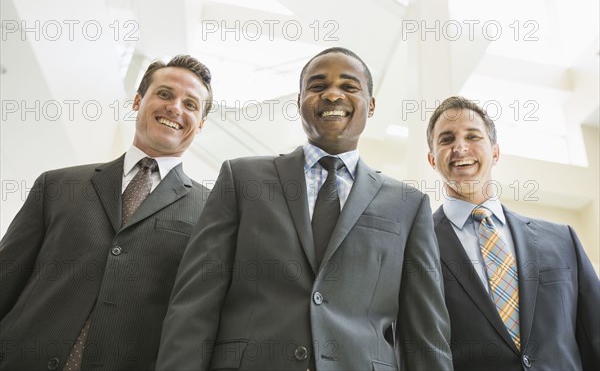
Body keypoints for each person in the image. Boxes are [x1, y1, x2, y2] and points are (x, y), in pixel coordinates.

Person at [157, 47, 453, 371]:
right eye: (317, 86)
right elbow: (195, 304)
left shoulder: (408, 205)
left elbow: (426, 337)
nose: (332, 95)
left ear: (371, 105)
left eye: (349, 86)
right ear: (299, 102)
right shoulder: (241, 178)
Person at [0, 55, 213, 371]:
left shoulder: (213, 212)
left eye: (191, 104)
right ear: (138, 101)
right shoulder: (57, 184)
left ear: (201, 124)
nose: (175, 108)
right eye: (165, 94)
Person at [426, 96, 600, 371]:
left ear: (495, 152)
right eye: (446, 140)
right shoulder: (416, 246)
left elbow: (595, 335)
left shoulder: (562, 240)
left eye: (472, 136)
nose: (460, 147)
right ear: (432, 159)